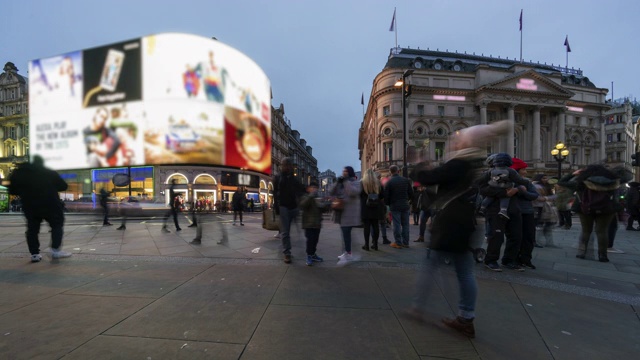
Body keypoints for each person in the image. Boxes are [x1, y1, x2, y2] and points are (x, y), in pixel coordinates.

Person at [407, 120, 509, 338]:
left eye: (458, 138)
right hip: (465, 223)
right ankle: (465, 317)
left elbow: (426, 178)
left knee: (431, 265)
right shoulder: (471, 163)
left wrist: (420, 162)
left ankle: (418, 307)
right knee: (463, 272)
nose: (453, 141)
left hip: (450, 224)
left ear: (465, 143)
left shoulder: (458, 164)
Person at [8, 155, 72, 262]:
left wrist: (25, 191)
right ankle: (55, 250)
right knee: (57, 225)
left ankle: (34, 254)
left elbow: (12, 190)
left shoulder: (19, 172)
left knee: (32, 229)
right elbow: (63, 186)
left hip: (30, 204)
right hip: (50, 203)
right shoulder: (49, 172)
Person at [560, 164, 629, 262]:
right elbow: (628, 176)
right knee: (602, 231)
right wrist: (612, 171)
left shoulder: (581, 182)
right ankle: (603, 255)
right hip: (607, 209)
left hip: (585, 209)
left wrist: (574, 173)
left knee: (586, 231)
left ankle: (582, 252)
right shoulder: (613, 182)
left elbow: (562, 182)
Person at [480, 153, 525, 272]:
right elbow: (482, 189)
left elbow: (524, 187)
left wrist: (518, 189)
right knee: (497, 236)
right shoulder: (487, 174)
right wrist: (504, 193)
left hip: (513, 209)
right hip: (495, 210)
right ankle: (491, 260)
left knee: (516, 236)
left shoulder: (512, 173)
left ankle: (509, 260)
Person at [273, 157, 305, 264]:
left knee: (296, 230)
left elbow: (301, 190)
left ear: (291, 166)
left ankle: (292, 247)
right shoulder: (277, 177)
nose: (286, 167)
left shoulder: (294, 178)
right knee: (285, 232)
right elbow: (275, 193)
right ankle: (287, 253)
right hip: (283, 207)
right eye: (284, 165)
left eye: (288, 165)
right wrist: (276, 208)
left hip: (294, 207)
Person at [510, 158, 540, 269]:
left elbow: (534, 195)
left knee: (529, 236)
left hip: (527, 212)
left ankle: (526, 259)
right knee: (516, 237)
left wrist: (523, 192)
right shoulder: (508, 182)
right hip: (514, 212)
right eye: (523, 169)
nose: (525, 172)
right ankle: (514, 259)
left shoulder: (526, 182)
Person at [479, 153, 530, 219]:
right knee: (505, 198)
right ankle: (503, 210)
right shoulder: (510, 171)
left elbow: (481, 183)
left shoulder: (490, 171)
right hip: (504, 191)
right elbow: (519, 180)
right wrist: (525, 182)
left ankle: (482, 207)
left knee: (489, 198)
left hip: (493, 189)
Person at [331, 166, 362, 264]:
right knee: (345, 234)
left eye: (346, 171)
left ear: (350, 172)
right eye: (343, 171)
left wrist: (345, 182)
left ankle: (348, 254)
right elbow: (331, 191)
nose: (344, 173)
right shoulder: (341, 182)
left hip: (350, 214)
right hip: (341, 212)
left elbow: (352, 192)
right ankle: (347, 252)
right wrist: (337, 182)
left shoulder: (355, 182)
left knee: (346, 234)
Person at [384, 165, 414, 249]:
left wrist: (388, 204)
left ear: (390, 171)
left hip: (395, 205)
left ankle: (398, 242)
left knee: (396, 224)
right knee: (405, 225)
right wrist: (408, 201)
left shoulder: (389, 182)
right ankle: (406, 242)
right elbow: (411, 193)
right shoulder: (405, 180)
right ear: (398, 171)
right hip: (405, 205)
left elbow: (386, 196)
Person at [299, 181, 324, 266]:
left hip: (317, 223)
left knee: (315, 240)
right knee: (310, 240)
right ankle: (309, 256)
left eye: (316, 188)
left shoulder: (318, 197)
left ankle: (313, 254)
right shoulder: (305, 196)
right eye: (312, 188)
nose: (314, 190)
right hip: (308, 223)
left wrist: (323, 205)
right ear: (308, 189)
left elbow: (322, 209)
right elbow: (302, 205)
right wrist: (310, 196)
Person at [360, 169, 385, 251]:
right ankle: (376, 245)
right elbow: (382, 195)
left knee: (366, 227)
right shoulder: (378, 182)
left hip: (365, 207)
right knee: (376, 226)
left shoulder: (362, 182)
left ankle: (366, 245)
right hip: (376, 207)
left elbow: (359, 195)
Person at [532, 174, 558, 248]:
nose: (545, 180)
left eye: (546, 178)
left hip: (544, 207)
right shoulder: (537, 186)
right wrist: (550, 197)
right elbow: (539, 198)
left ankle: (547, 242)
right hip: (538, 207)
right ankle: (537, 241)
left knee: (545, 224)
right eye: (543, 178)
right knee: (538, 224)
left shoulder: (544, 186)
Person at [377, 173, 391, 245]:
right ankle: (384, 238)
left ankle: (374, 240)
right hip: (380, 206)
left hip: (372, 206)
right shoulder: (380, 185)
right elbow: (383, 196)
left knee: (374, 224)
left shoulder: (369, 184)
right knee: (382, 223)